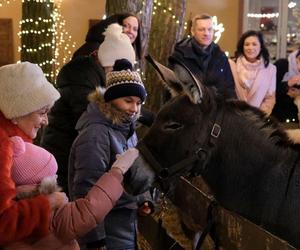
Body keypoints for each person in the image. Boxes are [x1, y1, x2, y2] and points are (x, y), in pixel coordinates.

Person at [41, 23, 136, 194]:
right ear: (108, 62)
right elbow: (88, 113)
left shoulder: (102, 75)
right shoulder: (79, 73)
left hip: (83, 151)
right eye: (118, 69)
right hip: (64, 151)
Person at [68, 59, 153, 250]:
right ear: (111, 99)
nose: (134, 109)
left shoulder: (127, 129)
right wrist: (94, 240)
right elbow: (86, 190)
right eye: (128, 101)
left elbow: (134, 171)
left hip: (126, 223)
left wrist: (143, 199)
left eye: (139, 103)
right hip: (107, 228)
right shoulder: (96, 135)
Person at [5, 135, 139, 249]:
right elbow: (89, 210)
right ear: (40, 184)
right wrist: (117, 172)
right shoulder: (50, 213)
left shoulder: (11, 212)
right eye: (52, 176)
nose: (56, 178)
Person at [0, 62, 67, 246]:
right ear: (18, 111)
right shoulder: (3, 145)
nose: (45, 121)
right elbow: (4, 224)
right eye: (42, 112)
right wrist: (48, 202)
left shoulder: (12, 138)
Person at [168, 13, 236, 99]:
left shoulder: (221, 57)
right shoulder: (179, 57)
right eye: (201, 29)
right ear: (193, 31)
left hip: (214, 110)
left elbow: (229, 89)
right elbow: (171, 89)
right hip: (188, 109)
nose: (206, 33)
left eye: (210, 29)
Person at [230, 30, 276, 116]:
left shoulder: (271, 69)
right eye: (247, 44)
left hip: (257, 120)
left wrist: (258, 117)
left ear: (261, 47)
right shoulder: (232, 65)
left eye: (254, 44)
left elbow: (270, 98)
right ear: (242, 47)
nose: (250, 48)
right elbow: (228, 92)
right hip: (235, 117)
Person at [72, 13, 142, 61]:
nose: (131, 31)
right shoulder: (94, 49)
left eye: (135, 29)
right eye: (126, 26)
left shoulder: (124, 56)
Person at [272, 49, 300, 128]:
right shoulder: (282, 65)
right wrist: (287, 84)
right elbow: (268, 90)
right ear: (297, 57)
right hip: (278, 119)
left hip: (297, 120)